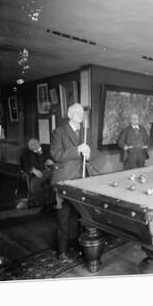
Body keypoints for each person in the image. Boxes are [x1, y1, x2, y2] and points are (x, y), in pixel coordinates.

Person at [50, 103, 94, 262]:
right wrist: (77, 149)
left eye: (82, 113)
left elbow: (88, 155)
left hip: (81, 179)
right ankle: (62, 252)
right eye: (77, 113)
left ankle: (84, 248)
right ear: (69, 114)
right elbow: (56, 155)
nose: (80, 116)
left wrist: (88, 155)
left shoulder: (85, 132)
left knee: (83, 215)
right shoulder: (59, 132)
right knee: (63, 218)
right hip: (63, 180)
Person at [17, 138, 53, 209]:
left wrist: (52, 161)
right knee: (34, 184)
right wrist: (33, 170)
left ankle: (53, 201)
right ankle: (41, 204)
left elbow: (57, 157)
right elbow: (24, 165)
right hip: (39, 173)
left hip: (52, 170)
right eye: (30, 146)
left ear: (39, 143)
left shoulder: (47, 148)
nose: (32, 147)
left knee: (59, 182)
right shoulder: (27, 152)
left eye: (34, 144)